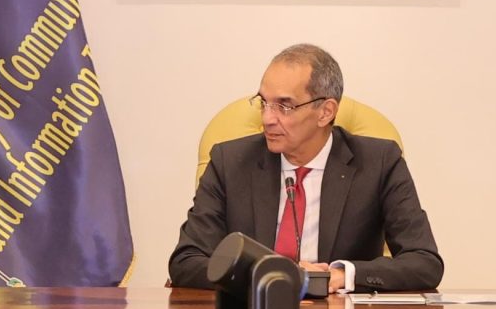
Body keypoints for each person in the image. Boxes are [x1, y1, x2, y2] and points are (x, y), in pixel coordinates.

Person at [169, 44, 443, 292]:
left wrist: (341, 275)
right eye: (264, 103)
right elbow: (186, 260)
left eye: (284, 106)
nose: (267, 118)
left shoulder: (379, 162)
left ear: (325, 112)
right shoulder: (230, 162)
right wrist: (268, 274)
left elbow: (424, 262)